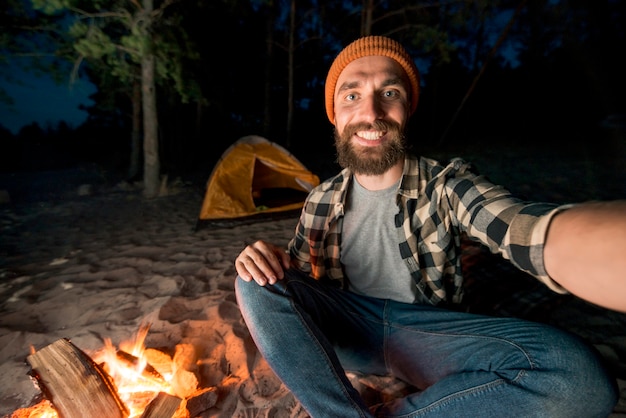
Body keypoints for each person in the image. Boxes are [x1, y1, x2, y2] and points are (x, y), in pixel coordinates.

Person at [234, 36, 623, 417]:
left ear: (408, 109)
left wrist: (593, 243)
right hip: (349, 333)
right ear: (334, 116)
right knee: (252, 281)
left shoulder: (447, 184)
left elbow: (520, 227)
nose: (371, 113)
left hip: (430, 334)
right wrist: (269, 261)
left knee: (582, 380)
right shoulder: (319, 200)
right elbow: (300, 287)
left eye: (389, 93)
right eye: (351, 96)